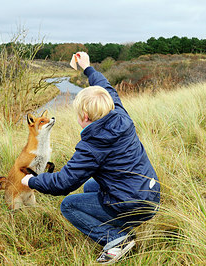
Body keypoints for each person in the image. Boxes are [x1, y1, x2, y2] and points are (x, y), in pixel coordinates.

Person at [21, 52, 160, 264]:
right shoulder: (119, 114)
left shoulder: (92, 145)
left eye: (77, 114)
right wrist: (87, 67)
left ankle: (117, 239)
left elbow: (63, 183)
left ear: (84, 117)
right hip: (150, 193)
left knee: (69, 205)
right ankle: (121, 224)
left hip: (133, 204)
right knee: (90, 187)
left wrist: (30, 180)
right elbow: (107, 88)